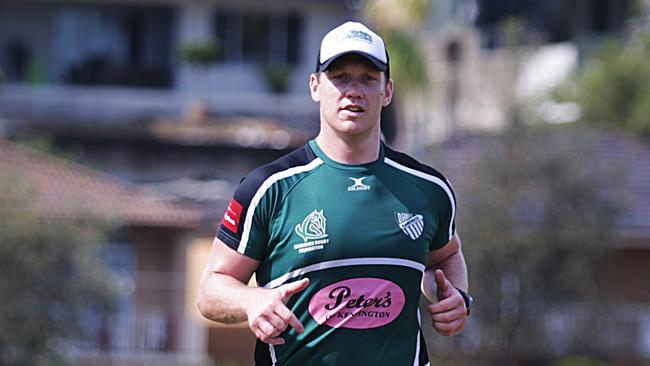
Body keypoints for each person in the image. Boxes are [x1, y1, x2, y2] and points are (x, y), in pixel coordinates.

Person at [197, 21, 472, 366]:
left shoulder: (429, 189)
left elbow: (446, 256)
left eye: (368, 78)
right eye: (340, 77)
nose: (353, 90)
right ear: (315, 86)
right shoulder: (270, 188)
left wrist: (455, 297)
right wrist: (251, 301)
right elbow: (211, 290)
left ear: (387, 91)